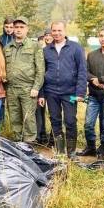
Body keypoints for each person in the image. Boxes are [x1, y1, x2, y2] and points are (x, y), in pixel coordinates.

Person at [39, 21, 87, 158]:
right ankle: (60, 152)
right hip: (51, 91)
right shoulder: (46, 50)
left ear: (65, 31)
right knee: (55, 120)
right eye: (54, 31)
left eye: (59, 30)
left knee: (70, 120)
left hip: (70, 93)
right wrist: (41, 94)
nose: (57, 33)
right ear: (51, 32)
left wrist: (80, 92)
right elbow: (42, 72)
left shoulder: (76, 48)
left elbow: (82, 71)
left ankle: (71, 153)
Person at [77, 28, 104, 159]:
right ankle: (90, 147)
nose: (103, 38)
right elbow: (85, 72)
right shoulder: (92, 55)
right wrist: (93, 79)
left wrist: (102, 80)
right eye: (101, 36)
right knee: (89, 123)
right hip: (94, 95)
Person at [4, 16, 44, 143]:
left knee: (28, 118)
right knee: (15, 118)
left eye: (22, 27)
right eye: (16, 27)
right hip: (11, 89)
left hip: (28, 88)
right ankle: (17, 143)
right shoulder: (8, 47)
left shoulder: (34, 46)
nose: (18, 30)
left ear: (27, 29)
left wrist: (36, 87)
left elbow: (40, 69)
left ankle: (29, 145)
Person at [0, 17, 14, 124]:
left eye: (11, 27)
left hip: (13, 73)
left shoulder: (17, 39)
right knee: (0, 100)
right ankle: (0, 122)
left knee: (13, 101)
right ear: (3, 27)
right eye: (6, 27)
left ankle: (13, 124)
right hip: (1, 73)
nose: (9, 29)